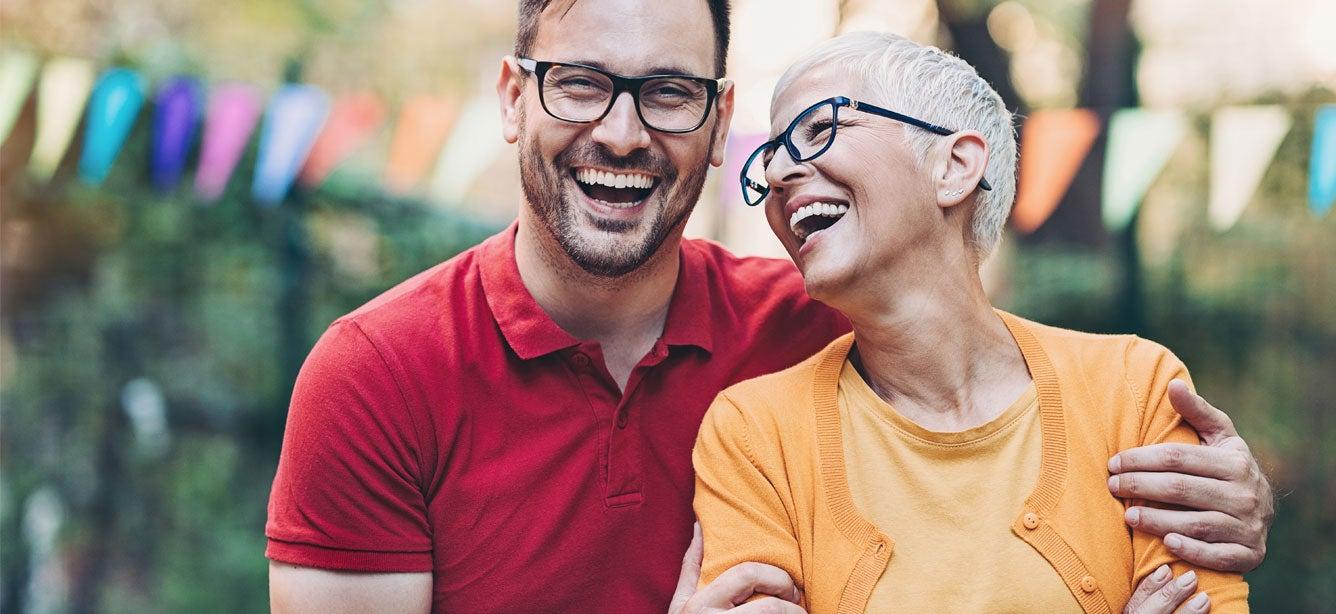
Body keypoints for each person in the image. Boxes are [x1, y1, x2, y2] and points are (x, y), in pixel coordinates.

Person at [266, 2, 1273, 612]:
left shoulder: (825, 323)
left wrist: (1232, 493)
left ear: (715, 121)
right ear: (510, 97)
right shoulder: (378, 373)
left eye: (666, 92)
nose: (621, 131)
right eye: (579, 84)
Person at [692, 31, 1255, 613]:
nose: (779, 172)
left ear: (955, 166)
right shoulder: (754, 434)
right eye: (772, 152)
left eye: (819, 128)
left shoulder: (1134, 390)